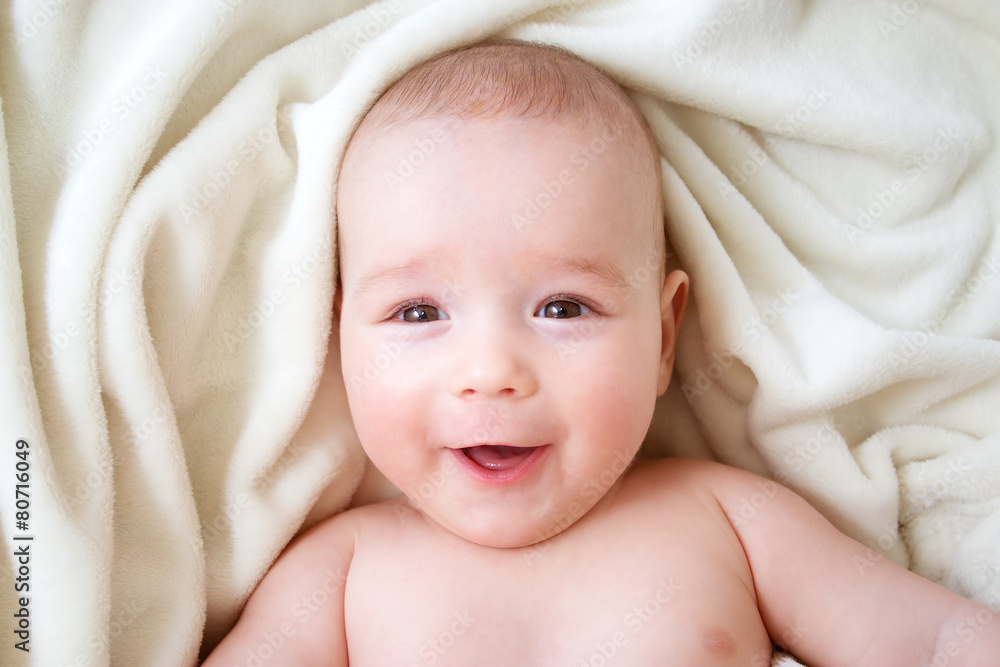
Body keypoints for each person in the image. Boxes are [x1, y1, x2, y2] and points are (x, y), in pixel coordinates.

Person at [203, 41, 1000, 666]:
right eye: (417, 311)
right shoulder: (338, 576)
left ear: (662, 337)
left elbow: (935, 643)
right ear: (340, 338)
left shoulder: (730, 518)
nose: (491, 372)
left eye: (563, 306)